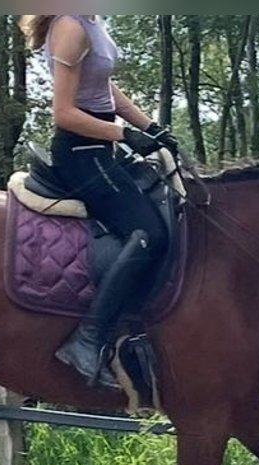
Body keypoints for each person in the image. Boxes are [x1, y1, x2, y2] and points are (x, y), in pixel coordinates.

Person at [19, 14, 177, 389]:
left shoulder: (93, 21)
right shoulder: (71, 28)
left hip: (101, 150)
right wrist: (125, 134)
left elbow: (106, 89)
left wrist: (150, 127)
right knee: (148, 233)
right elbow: (64, 113)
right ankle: (87, 340)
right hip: (81, 154)